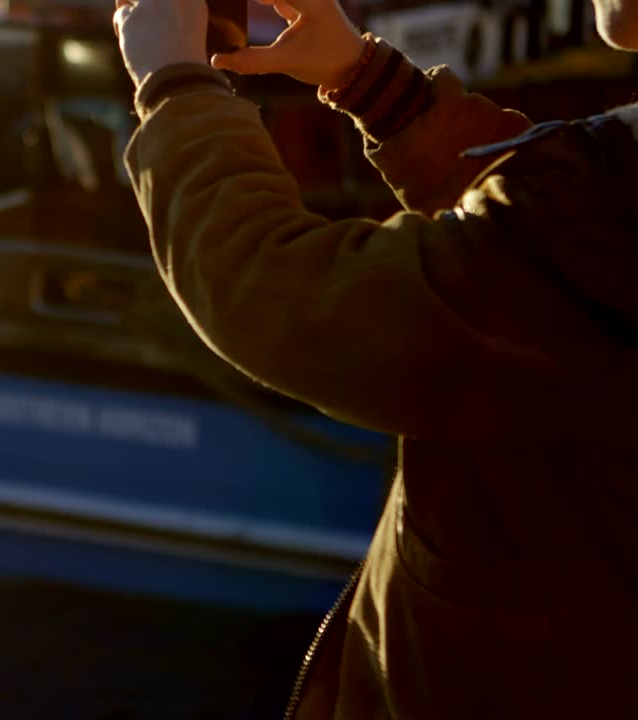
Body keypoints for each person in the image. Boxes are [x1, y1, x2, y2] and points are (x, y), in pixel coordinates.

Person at [113, 0, 638, 717]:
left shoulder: (597, 220)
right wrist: (362, 78)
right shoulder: (592, 209)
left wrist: (174, 87)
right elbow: (543, 214)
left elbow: (278, 298)